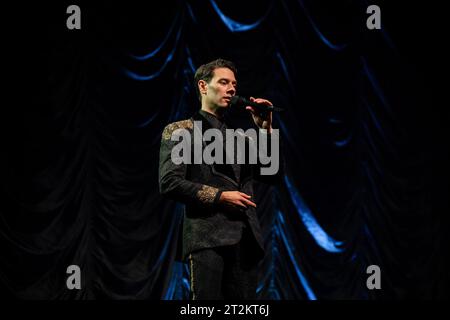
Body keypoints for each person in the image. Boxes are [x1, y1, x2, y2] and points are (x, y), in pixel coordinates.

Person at [159, 58, 282, 299]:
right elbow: (169, 182)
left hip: (244, 239)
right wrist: (220, 196)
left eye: (234, 84)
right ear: (203, 87)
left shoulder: (241, 138)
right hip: (207, 237)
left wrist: (266, 130)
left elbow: (272, 173)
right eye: (224, 82)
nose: (232, 89)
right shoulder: (180, 130)